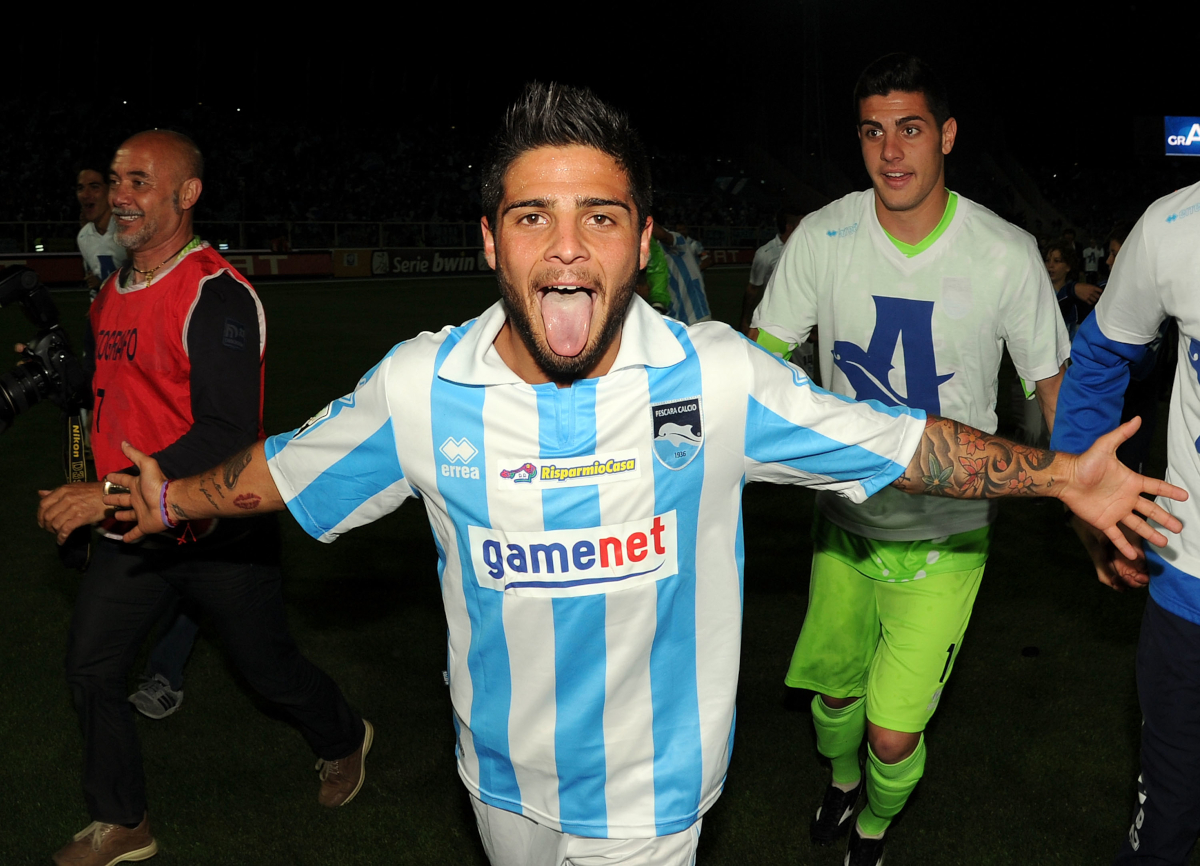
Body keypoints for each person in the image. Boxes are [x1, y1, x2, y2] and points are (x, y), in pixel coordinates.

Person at [102, 83, 1182, 866]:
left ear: (643, 239)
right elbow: (282, 473)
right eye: (535, 216)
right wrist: (168, 496)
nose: (567, 249)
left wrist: (1059, 479)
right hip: (499, 778)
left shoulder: (715, 379)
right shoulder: (422, 387)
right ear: (490, 240)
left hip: (655, 792)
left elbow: (901, 439)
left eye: (600, 217)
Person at [750, 53, 1070, 865]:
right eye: (873, 132)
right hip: (844, 524)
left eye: (911, 129)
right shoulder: (822, 237)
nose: (892, 153)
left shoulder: (1005, 251)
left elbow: (1052, 385)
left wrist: (1079, 490)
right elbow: (761, 361)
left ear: (947, 136)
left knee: (892, 736)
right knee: (833, 702)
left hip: (947, 532)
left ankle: (874, 827)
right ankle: (839, 782)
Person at [36, 130, 371, 866]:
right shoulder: (110, 294)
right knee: (91, 666)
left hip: (217, 529)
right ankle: (124, 822)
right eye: (116, 178)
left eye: (140, 181)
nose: (121, 194)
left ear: (187, 195)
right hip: (132, 528)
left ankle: (344, 735)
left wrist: (103, 492)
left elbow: (227, 432)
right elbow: (114, 404)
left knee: (268, 668)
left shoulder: (218, 294)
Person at [1052, 180, 1200, 865]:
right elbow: (1103, 351)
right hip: (1188, 589)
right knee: (1164, 828)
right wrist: (1085, 491)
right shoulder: (1174, 224)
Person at [739, 207, 803, 335]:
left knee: (806, 356)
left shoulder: (806, 247)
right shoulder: (766, 254)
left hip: (804, 319)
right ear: (789, 227)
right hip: (776, 322)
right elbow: (753, 288)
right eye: (801, 224)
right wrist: (745, 320)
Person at [75, 166, 128, 300]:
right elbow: (92, 280)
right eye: (81, 188)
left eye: (94, 187)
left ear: (110, 191)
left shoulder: (129, 230)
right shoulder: (83, 236)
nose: (86, 194)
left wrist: (103, 284)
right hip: (103, 314)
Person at [653, 222, 712, 324]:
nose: (682, 232)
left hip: (696, 313)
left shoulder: (693, 244)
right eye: (679, 230)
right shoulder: (652, 250)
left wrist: (696, 270)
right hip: (673, 311)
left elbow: (707, 260)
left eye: (683, 229)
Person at [1045, 238, 1103, 339]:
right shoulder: (1040, 293)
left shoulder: (1079, 293)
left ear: (1068, 266)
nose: (1050, 265)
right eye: (1047, 260)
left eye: (1057, 261)